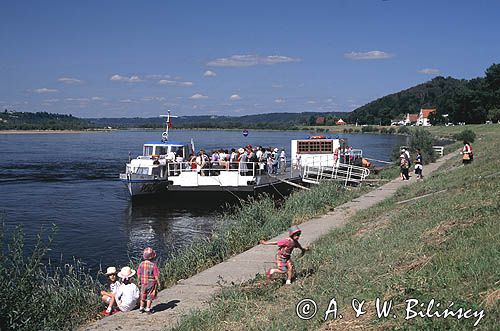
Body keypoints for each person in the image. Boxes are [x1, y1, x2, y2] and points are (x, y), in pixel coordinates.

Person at [137, 247, 161, 314]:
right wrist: (158, 283)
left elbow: (138, 274)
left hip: (143, 283)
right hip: (151, 283)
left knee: (143, 295)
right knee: (149, 296)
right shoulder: (153, 265)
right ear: (152, 257)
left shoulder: (141, 264)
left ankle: (141, 308)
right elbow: (156, 276)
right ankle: (148, 309)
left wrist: (139, 281)